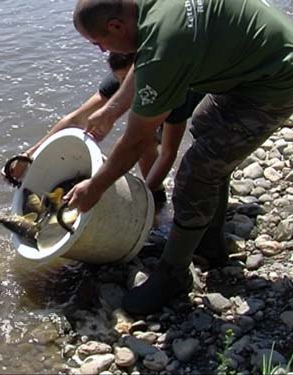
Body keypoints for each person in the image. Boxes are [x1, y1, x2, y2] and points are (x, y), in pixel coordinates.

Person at [66, 0, 293, 315]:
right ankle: (208, 241)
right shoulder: (149, 11)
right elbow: (147, 55)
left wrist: (95, 187)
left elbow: (136, 142)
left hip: (275, 80)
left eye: (98, 43)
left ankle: (173, 274)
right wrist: (111, 109)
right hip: (250, 63)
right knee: (205, 127)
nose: (102, 51)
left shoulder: (165, 45)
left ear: (116, 26)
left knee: (196, 172)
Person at [3, 52, 203, 207]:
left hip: (202, 95)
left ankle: (154, 198)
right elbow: (75, 119)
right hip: (155, 97)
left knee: (149, 141)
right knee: (145, 142)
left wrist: (143, 202)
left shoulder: (175, 91)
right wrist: (28, 155)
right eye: (120, 82)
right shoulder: (120, 81)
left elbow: (168, 153)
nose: (124, 88)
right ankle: (158, 196)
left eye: (128, 82)